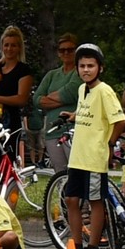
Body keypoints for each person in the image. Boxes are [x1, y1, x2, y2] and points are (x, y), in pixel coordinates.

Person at [61, 43, 123, 249]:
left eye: (90, 66)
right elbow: (89, 113)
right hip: (78, 156)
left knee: (95, 201)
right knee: (71, 199)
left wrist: (110, 144)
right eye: (82, 66)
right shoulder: (82, 89)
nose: (86, 70)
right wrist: (74, 116)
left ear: (100, 68)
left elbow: (120, 120)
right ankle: (76, 247)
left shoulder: (104, 91)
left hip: (94, 156)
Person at [32, 35, 82, 171]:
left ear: (76, 51)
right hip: (52, 132)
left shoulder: (80, 73)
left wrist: (48, 98)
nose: (66, 53)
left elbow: (71, 93)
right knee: (59, 175)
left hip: (73, 131)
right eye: (62, 50)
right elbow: (36, 99)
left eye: (70, 49)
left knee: (76, 173)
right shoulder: (51, 75)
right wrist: (62, 99)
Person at [0, 27, 36, 143]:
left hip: (10, 122)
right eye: (6, 45)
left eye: (13, 45)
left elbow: (21, 99)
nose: (9, 49)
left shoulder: (23, 70)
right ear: (2, 47)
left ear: (19, 47)